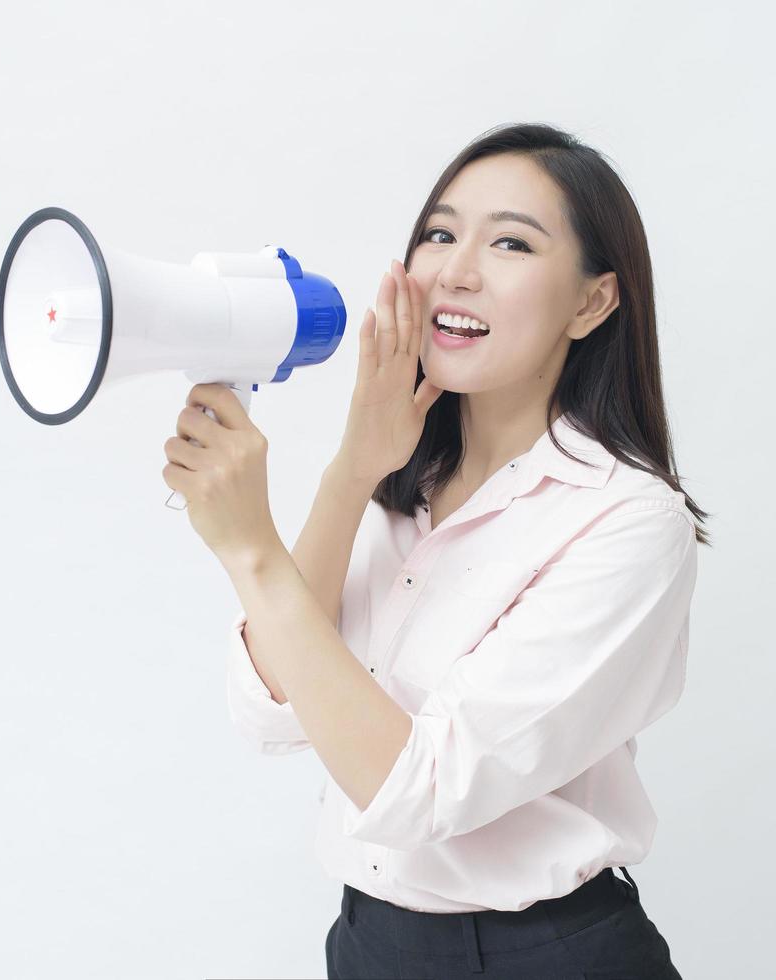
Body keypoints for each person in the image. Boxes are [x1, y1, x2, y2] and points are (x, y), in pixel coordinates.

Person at [225, 122, 710, 978]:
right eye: (440, 234)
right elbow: (272, 711)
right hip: (368, 943)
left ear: (592, 303)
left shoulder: (628, 520)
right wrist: (349, 474)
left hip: (545, 954)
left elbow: (415, 790)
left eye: (511, 243)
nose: (455, 270)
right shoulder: (394, 481)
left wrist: (253, 551)